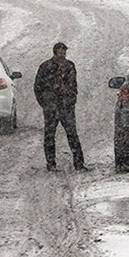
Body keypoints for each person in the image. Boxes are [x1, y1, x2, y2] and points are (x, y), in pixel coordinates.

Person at [34, 42, 87, 172]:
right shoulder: (46, 67)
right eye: (60, 52)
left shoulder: (70, 66)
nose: (63, 55)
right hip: (51, 107)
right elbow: (38, 87)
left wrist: (71, 100)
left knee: (72, 134)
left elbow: (73, 85)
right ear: (55, 52)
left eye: (64, 52)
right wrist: (46, 103)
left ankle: (79, 163)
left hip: (66, 106)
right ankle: (51, 163)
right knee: (50, 135)